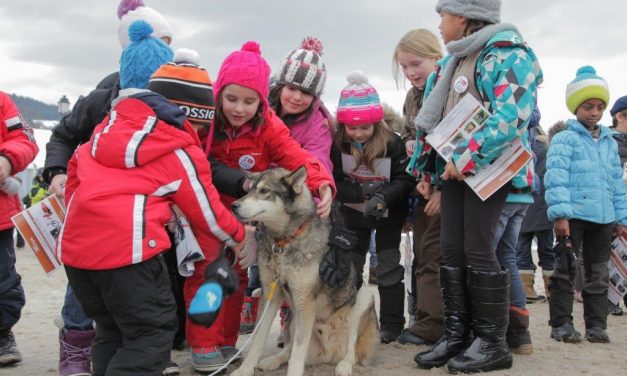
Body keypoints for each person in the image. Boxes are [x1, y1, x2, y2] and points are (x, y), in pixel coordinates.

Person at [59, 21, 246, 376]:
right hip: (128, 256)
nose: (200, 134)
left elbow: (73, 173)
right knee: (151, 334)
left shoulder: (104, 130)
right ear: (187, 114)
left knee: (113, 331)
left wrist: (83, 221)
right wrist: (240, 235)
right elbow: (205, 213)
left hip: (78, 257)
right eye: (201, 125)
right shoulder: (177, 149)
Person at [411, 0, 542, 373]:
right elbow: (438, 121)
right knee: (452, 251)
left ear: (464, 16)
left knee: (480, 249)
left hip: (490, 173)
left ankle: (492, 343)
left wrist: (464, 159)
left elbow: (511, 116)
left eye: (443, 15)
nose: (439, 23)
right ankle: (458, 335)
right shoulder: (453, 61)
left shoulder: (508, 55)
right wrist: (428, 171)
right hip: (453, 173)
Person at [189, 41, 335, 373]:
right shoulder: (207, 121)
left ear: (261, 101)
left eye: (249, 101)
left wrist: (321, 181)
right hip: (208, 204)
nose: (240, 108)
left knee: (238, 273)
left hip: (248, 213)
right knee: (206, 271)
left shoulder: (268, 124)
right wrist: (241, 182)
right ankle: (202, 343)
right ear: (219, 93)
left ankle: (225, 341)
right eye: (231, 99)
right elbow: (200, 162)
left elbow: (298, 156)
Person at [240, 36, 334, 342]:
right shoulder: (258, 109)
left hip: (283, 198)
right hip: (253, 188)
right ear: (280, 85)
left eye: (306, 92)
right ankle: (253, 304)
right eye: (292, 88)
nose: (296, 97)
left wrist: (322, 187)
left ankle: (285, 314)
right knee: (255, 261)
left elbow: (317, 158)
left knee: (282, 260)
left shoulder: (316, 124)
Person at [545, 66, 627, 344]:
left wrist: (621, 218)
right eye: (588, 106)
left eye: (600, 107)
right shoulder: (564, 138)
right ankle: (561, 324)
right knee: (566, 270)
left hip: (604, 219)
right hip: (573, 217)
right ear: (576, 106)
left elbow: (616, 182)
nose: (594, 112)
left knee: (598, 273)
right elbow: (555, 178)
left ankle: (596, 324)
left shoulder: (609, 142)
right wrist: (560, 215)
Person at [331, 70, 415, 344]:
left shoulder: (392, 143)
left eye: (365, 128)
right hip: (352, 217)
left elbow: (405, 179)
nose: (358, 133)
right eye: (352, 128)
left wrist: (382, 198)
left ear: (377, 122)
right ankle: (352, 321)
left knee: (389, 267)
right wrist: (360, 191)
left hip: (388, 216)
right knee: (352, 268)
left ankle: (392, 324)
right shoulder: (338, 145)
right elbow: (333, 181)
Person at [391, 28, 445, 347]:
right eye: (404, 68)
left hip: (445, 185)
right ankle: (428, 318)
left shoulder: (447, 88)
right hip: (423, 185)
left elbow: (451, 141)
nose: (411, 73)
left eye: (416, 64)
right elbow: (415, 134)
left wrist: (438, 185)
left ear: (435, 58)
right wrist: (410, 142)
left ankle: (434, 323)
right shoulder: (412, 97)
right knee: (424, 252)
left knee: (436, 254)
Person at [0, 91, 38, 367]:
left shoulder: (2, 101)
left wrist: (7, 159)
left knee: (2, 280)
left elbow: (25, 139)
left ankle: (1, 334)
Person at [516, 125, 554, 303]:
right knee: (547, 250)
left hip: (523, 202)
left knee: (521, 250)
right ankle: (552, 289)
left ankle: (526, 290)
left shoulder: (521, 146)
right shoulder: (548, 149)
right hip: (544, 207)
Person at [608, 95, 627, 316]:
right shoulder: (608, 141)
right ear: (620, 116)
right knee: (609, 256)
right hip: (612, 208)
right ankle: (610, 300)